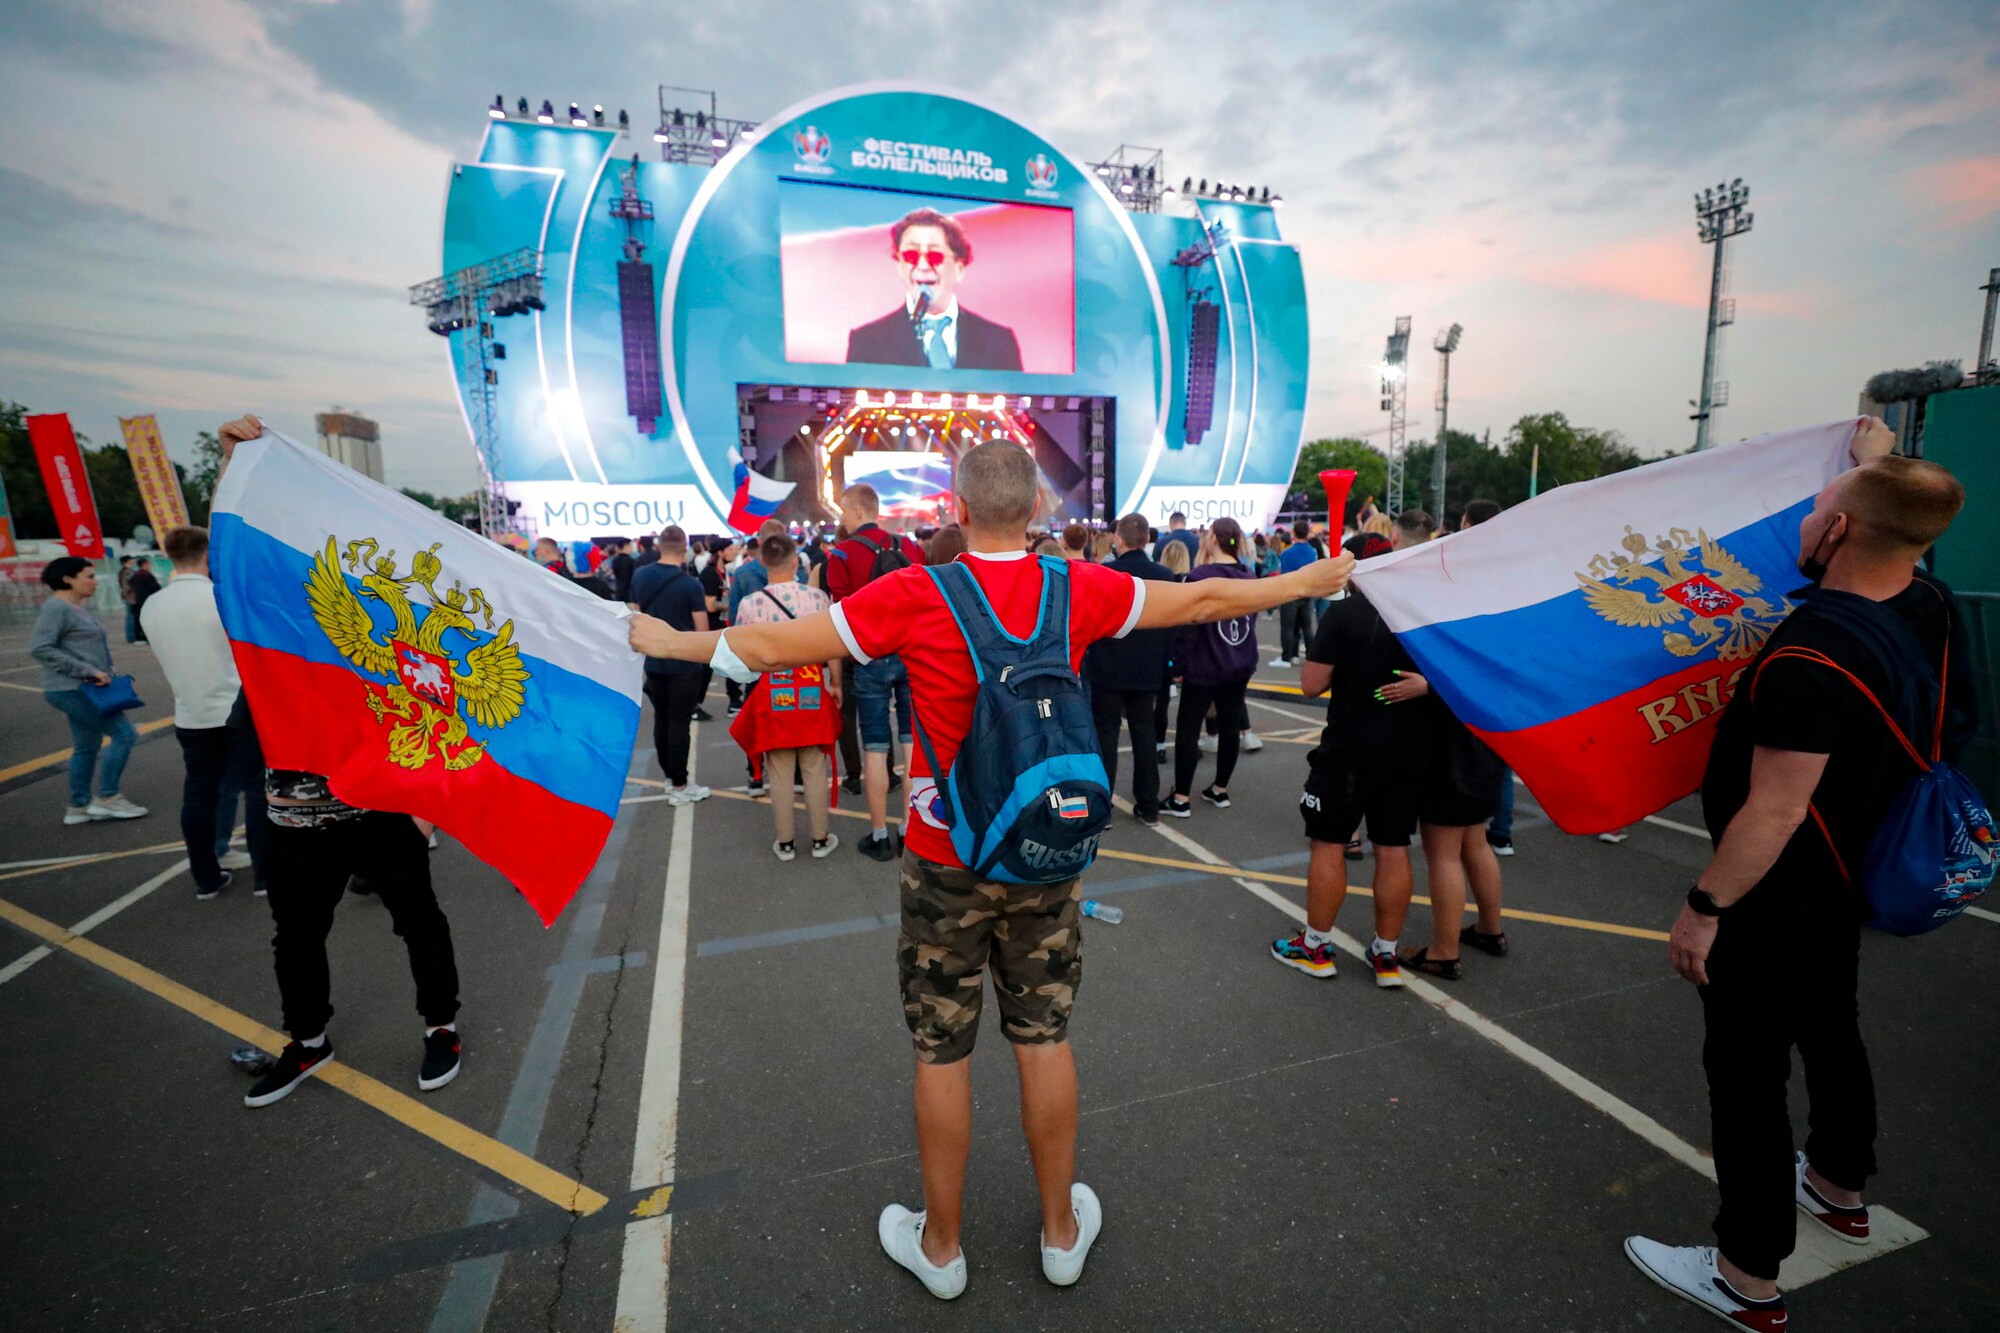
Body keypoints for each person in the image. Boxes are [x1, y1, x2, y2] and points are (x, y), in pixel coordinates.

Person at [629, 439, 1352, 1299]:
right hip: (1045, 849)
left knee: (942, 1050)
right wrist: (1305, 583)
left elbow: (774, 645)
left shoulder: (914, 591)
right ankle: (1059, 1233)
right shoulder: (1078, 587)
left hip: (946, 858)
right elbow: (1202, 595)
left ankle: (941, 1246)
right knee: (1043, 1038)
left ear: (958, 510)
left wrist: (671, 641)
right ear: (1039, 509)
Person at [1626, 429, 1967, 1330]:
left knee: (1746, 1070)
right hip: (1858, 870)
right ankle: (1840, 1187)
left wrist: (1705, 906)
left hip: (1777, 889)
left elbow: (1775, 810)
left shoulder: (1808, 654)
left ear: (1841, 529)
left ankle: (1746, 1274)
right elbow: (1900, 518)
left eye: (1817, 507)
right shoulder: (1926, 607)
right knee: (1832, 1025)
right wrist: (1879, 466)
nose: (1804, 518)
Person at [1271, 523, 1435, 988]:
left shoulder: (1342, 615)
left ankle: (1316, 946)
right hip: (1406, 749)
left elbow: (1310, 685)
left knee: (1328, 843)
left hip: (1349, 749)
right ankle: (1386, 955)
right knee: (1393, 847)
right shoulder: (1421, 612)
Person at [140, 525, 260, 900]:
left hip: (191, 712)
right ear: (208, 554)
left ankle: (206, 877)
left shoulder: (152, 604)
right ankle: (265, 876)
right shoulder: (220, 598)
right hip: (238, 709)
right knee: (257, 789)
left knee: (198, 794)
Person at [825, 484, 926, 862]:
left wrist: (836, 673)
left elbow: (839, 616)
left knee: (875, 748)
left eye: (842, 511)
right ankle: (910, 829)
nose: (841, 518)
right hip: (910, 656)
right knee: (911, 746)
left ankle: (880, 834)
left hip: (869, 658)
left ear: (856, 511)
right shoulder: (909, 547)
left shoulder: (841, 555)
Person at [730, 533, 842, 859]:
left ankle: (786, 842)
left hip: (772, 691)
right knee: (814, 766)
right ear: (796, 562)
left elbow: (742, 654)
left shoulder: (750, 605)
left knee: (778, 769)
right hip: (811, 688)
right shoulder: (818, 599)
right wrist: (836, 682)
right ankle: (820, 839)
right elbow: (833, 645)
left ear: (762, 562)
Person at [32, 557, 149, 826]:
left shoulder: (75, 608)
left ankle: (78, 806)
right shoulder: (56, 609)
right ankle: (108, 796)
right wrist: (88, 670)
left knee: (86, 746)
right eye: (89, 576)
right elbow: (40, 647)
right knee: (124, 734)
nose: (95, 582)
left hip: (83, 687)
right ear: (67, 579)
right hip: (72, 688)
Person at [845, 208, 1023, 371]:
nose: (922, 266)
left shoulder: (998, 341)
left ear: (959, 269)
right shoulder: (867, 341)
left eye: (935, 256)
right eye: (911, 256)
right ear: (900, 266)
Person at [1083, 514, 1175, 826]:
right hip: (1147, 669)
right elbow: (1171, 623)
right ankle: (1149, 805)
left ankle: (1103, 806)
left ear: (1118, 539)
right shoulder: (1163, 575)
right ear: (1147, 539)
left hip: (1107, 667)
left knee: (1105, 736)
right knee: (1144, 733)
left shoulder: (1104, 574)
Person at [1165, 518, 1259, 817]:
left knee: (1188, 728)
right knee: (1230, 725)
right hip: (1239, 662)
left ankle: (1181, 797)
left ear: (1213, 539)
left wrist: (1177, 665)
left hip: (1204, 664)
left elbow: (1188, 626)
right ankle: (1220, 789)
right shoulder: (1249, 576)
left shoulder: (1200, 577)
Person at [627, 525, 712, 804]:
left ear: (659, 546)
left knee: (661, 720)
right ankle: (680, 785)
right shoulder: (691, 584)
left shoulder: (640, 575)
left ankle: (670, 777)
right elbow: (702, 630)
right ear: (684, 548)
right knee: (679, 723)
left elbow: (634, 615)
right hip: (684, 663)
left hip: (653, 660)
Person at [1274, 519, 1319, 666]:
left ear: (1294, 533)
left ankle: (1287, 657)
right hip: (1307, 593)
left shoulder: (1286, 553)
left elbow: (1283, 574)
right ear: (1307, 533)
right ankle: (1311, 657)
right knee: (1307, 627)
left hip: (1290, 593)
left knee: (1288, 628)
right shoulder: (1312, 552)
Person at [127, 557, 161, 643]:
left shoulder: (135, 575)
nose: (150, 566)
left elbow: (130, 585)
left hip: (138, 600)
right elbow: (156, 588)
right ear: (144, 564)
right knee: (149, 619)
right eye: (149, 564)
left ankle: (139, 636)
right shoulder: (147, 575)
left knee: (139, 618)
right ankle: (148, 637)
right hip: (148, 600)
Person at [117, 555, 141, 643]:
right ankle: (131, 636)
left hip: (127, 596)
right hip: (130, 596)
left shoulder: (123, 572)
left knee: (130, 616)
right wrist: (134, 593)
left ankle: (130, 636)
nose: (133, 561)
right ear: (126, 562)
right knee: (131, 616)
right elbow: (128, 585)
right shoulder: (128, 572)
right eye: (131, 560)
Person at [608, 537, 639, 602]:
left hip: (618, 592)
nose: (632, 548)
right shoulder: (632, 561)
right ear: (626, 546)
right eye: (631, 546)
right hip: (629, 593)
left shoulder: (614, 561)